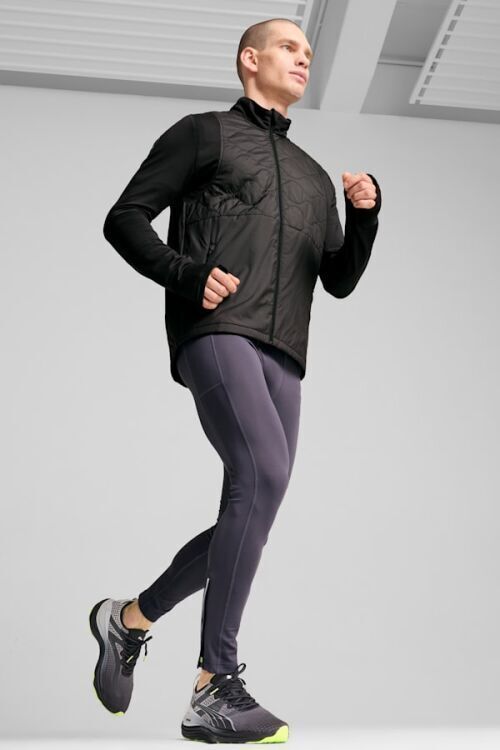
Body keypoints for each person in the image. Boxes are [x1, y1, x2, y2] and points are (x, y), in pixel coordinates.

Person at [89, 16, 382, 745]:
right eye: (289, 47)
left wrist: (366, 218)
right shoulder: (204, 134)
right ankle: (213, 684)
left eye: (308, 53)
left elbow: (338, 279)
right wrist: (186, 275)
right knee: (264, 475)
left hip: (285, 353)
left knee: (255, 505)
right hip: (217, 331)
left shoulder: (313, 176)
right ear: (250, 60)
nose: (303, 59)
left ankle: (128, 620)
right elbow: (125, 218)